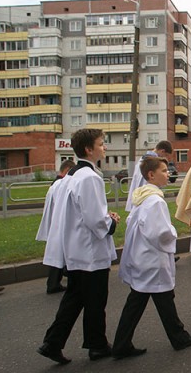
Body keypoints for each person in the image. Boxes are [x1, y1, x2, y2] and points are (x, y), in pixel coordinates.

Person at [37, 129, 120, 365]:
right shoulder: (90, 178)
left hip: (75, 249)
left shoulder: (71, 177)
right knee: (95, 300)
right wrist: (110, 222)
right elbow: (94, 219)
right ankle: (97, 345)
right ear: (88, 149)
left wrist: (103, 216)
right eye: (102, 144)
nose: (105, 148)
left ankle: (52, 343)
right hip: (89, 251)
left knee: (75, 299)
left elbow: (78, 212)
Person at [112, 157, 191, 359]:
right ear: (151, 175)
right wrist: (173, 233)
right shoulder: (155, 201)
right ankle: (179, 338)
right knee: (162, 298)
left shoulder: (142, 196)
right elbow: (160, 234)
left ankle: (121, 344)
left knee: (139, 302)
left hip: (142, 258)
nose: (168, 173)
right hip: (152, 259)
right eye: (163, 170)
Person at [36, 159, 76, 294]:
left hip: (56, 222)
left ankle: (56, 280)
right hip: (60, 222)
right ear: (67, 171)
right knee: (60, 253)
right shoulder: (61, 184)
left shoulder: (55, 184)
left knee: (58, 253)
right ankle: (54, 283)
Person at [125, 140, 173, 212]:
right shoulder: (152, 162)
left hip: (138, 198)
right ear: (162, 151)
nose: (165, 159)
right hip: (146, 198)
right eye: (166, 156)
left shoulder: (142, 159)